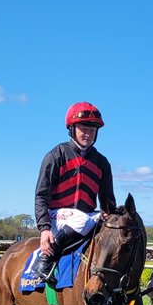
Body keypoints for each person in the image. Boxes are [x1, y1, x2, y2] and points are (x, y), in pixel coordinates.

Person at [34, 102, 116, 282]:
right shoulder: (56, 155)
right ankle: (45, 259)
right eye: (84, 129)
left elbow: (108, 201)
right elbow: (41, 195)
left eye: (92, 131)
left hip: (85, 219)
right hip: (57, 217)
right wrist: (44, 229)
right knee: (82, 219)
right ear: (72, 129)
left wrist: (110, 217)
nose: (88, 134)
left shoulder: (102, 162)